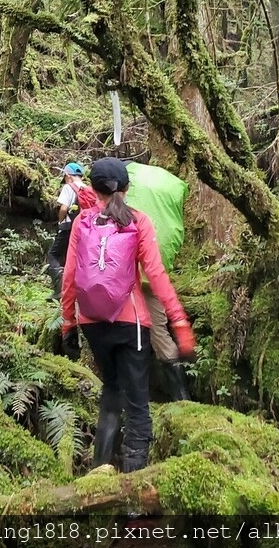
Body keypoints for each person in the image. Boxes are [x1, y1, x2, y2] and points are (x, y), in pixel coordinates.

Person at [61, 157, 195, 473]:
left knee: (111, 394)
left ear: (92, 189)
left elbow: (69, 276)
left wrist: (68, 322)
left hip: (92, 323)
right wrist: (179, 322)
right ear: (127, 189)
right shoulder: (138, 221)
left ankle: (98, 474)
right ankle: (134, 493)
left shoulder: (82, 222)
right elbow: (157, 276)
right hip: (131, 323)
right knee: (137, 406)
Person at [125, 161, 191, 401]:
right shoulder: (170, 193)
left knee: (123, 330)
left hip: (124, 276)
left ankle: (131, 396)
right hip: (153, 275)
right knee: (159, 332)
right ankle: (181, 398)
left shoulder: (124, 190)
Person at [47, 162, 98, 298]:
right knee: (76, 257)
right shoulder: (89, 189)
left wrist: (60, 221)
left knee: (53, 255)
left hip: (69, 227)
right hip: (85, 229)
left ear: (68, 175)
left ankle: (60, 290)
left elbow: (64, 208)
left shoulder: (69, 187)